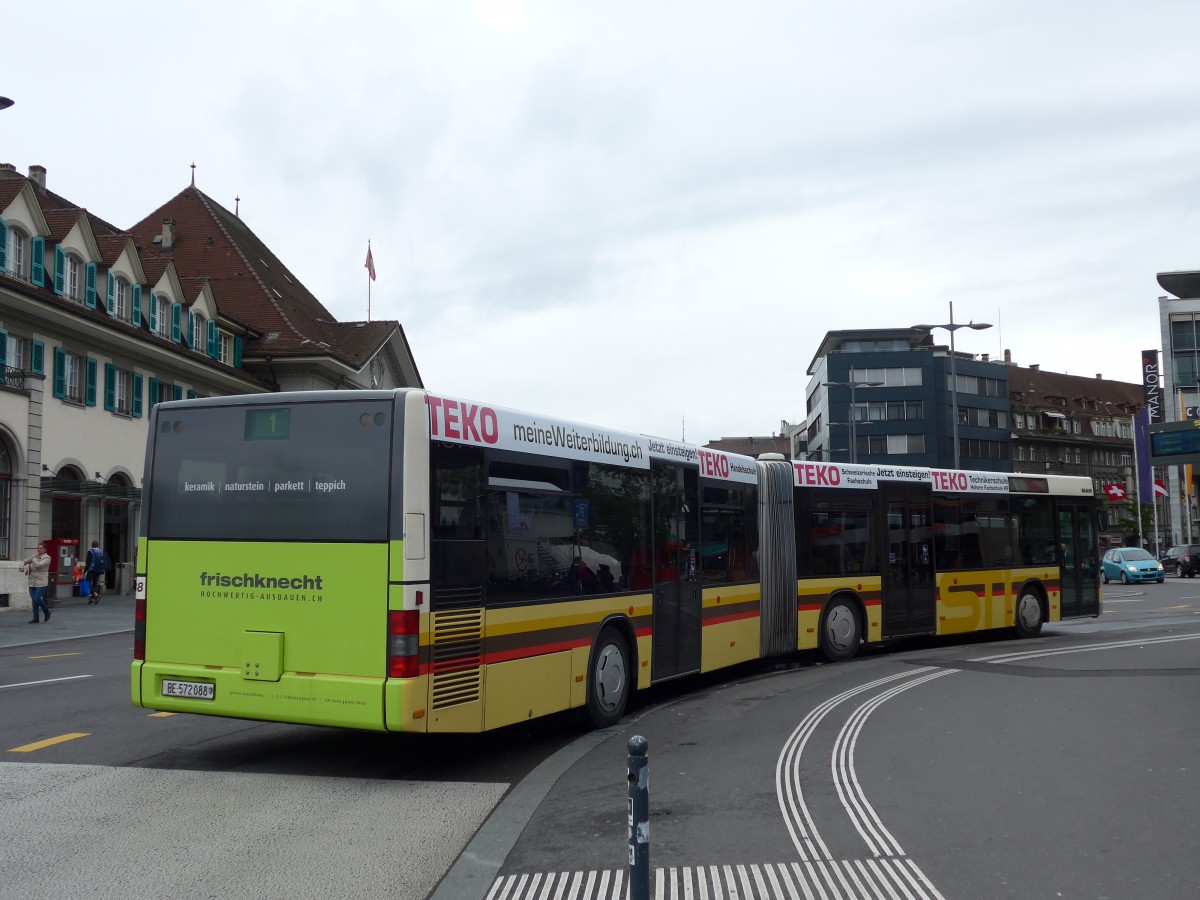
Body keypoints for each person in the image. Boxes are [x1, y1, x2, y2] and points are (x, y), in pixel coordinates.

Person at [21, 542, 52, 624]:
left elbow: (38, 566)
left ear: (45, 550)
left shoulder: (47, 558)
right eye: (38, 548)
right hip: (32, 581)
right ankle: (36, 618)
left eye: (41, 548)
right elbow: (25, 561)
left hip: (41, 581)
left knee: (37, 598)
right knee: (34, 601)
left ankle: (46, 611)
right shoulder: (35, 556)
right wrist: (22, 566)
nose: (39, 550)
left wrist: (33, 560)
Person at [84, 539, 108, 604]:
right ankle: (93, 599)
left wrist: (85, 570)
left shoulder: (90, 551)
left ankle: (96, 594)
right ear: (98, 545)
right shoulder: (100, 551)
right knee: (95, 583)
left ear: (92, 545)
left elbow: (88, 562)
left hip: (91, 569)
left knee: (87, 582)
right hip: (98, 570)